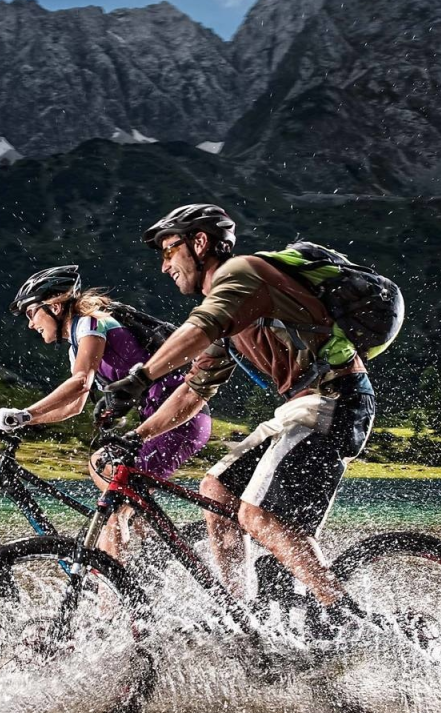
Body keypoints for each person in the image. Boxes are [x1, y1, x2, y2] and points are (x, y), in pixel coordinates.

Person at [95, 204, 376, 634]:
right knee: (217, 491)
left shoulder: (241, 273)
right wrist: (137, 435)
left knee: (256, 514)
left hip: (335, 400)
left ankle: (349, 617)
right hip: (302, 408)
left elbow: (198, 329)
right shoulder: (228, 315)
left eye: (170, 250)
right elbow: (193, 391)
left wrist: (139, 378)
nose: (165, 265)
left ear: (200, 242)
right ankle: (244, 615)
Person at [0, 265, 212, 559]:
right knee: (116, 489)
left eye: (32, 313)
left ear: (55, 305)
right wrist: (26, 421)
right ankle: (143, 550)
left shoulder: (90, 322)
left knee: (105, 477)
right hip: (166, 421)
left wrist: (24, 413)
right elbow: (74, 405)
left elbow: (80, 382)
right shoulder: (77, 341)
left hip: (180, 417)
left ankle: (116, 588)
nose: (31, 324)